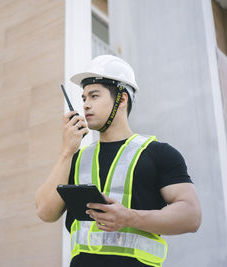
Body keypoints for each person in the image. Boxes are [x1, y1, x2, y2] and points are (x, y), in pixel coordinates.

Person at [35, 55, 202, 267]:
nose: (85, 105)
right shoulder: (75, 157)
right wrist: (67, 151)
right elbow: (45, 212)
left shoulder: (159, 153)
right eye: (84, 98)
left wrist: (129, 218)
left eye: (94, 96)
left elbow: (191, 215)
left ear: (121, 100)